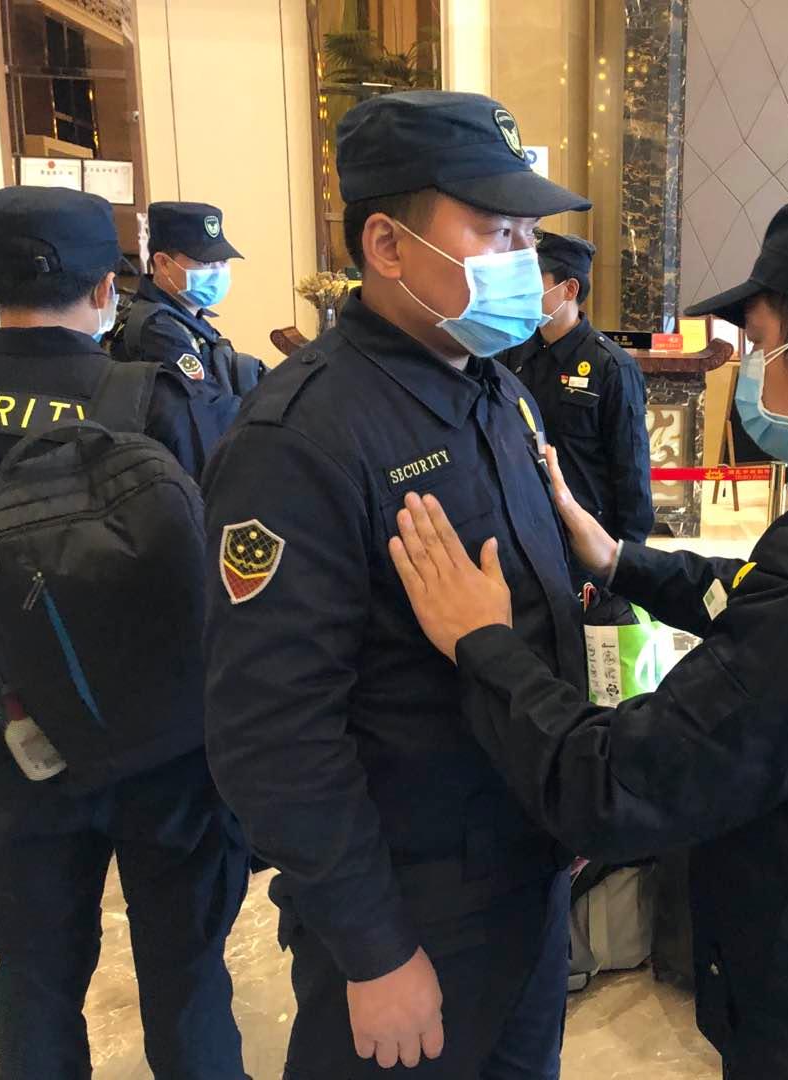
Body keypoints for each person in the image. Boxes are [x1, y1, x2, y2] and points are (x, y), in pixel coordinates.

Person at [386, 197, 788, 1080]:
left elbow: (616, 786)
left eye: (762, 344)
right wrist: (619, 559)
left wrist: (484, 642)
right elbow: (759, 602)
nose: (752, 370)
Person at [200, 90, 591, 1078]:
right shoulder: (303, 438)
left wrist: (570, 805)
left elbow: (535, 611)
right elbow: (273, 729)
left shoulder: (496, 390)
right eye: (495, 231)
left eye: (528, 235)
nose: (523, 259)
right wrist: (373, 947)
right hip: (413, 907)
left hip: (527, 872)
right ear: (386, 244)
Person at [0, 186, 248, 1078]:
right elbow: (221, 558)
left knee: (33, 984)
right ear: (107, 289)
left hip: (7, 746)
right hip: (162, 745)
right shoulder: (150, 398)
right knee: (188, 978)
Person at [499, 232, 654, 558]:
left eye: (534, 280)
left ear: (569, 289)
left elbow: (631, 474)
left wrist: (628, 561)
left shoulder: (611, 367)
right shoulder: (513, 354)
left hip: (586, 538)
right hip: (527, 528)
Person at [111, 200, 264, 399]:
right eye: (206, 263)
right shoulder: (157, 331)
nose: (218, 271)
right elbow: (206, 406)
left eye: (223, 261)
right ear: (164, 263)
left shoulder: (187, 317)